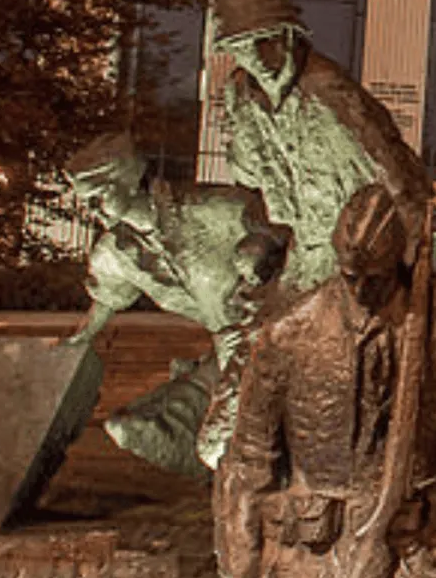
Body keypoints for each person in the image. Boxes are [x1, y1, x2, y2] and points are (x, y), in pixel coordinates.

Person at [215, 183, 436, 578]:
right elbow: (249, 464)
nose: (362, 290)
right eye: (351, 277)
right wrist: (241, 568)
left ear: (397, 263)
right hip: (313, 555)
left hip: (412, 552)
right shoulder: (290, 334)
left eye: (376, 277)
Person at [61, 131, 285, 475]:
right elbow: (107, 298)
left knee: (227, 445)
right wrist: (83, 336)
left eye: (98, 197)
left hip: (273, 342)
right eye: (85, 201)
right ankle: (222, 487)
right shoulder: (115, 253)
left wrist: (260, 246)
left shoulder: (216, 208)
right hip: (224, 354)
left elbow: (280, 229)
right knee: (130, 429)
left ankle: (250, 494)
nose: (91, 210)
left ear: (129, 180)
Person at [210, 0, 436, 295]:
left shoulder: (325, 87)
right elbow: (250, 177)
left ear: (289, 35)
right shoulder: (241, 96)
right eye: (241, 47)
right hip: (303, 240)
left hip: (357, 245)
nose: (257, 57)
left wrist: (418, 230)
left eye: (266, 40)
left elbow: (385, 156)